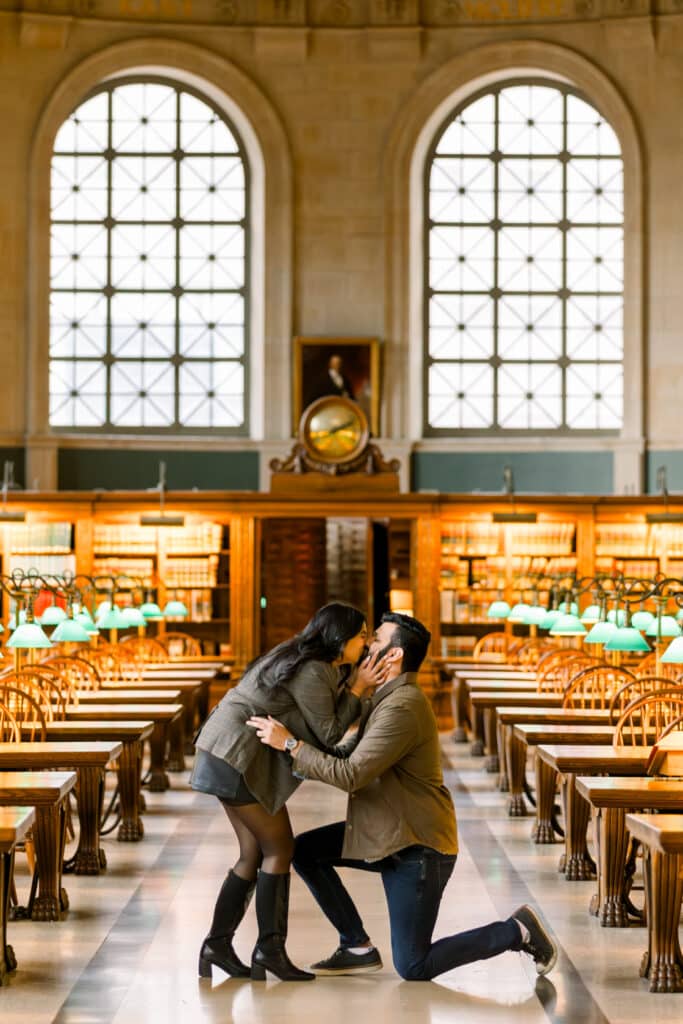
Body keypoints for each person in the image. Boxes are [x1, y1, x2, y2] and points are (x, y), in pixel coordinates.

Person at [248, 612, 557, 983]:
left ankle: (516, 930)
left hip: (418, 847)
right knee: (306, 852)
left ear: (393, 656)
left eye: (375, 640)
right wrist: (294, 751)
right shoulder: (385, 698)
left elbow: (351, 774)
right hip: (384, 834)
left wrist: (294, 745)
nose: (366, 646)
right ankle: (356, 945)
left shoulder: (403, 706)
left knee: (414, 965)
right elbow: (351, 753)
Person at [191, 602, 388, 983]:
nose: (366, 643)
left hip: (223, 752)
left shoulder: (307, 659)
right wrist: (362, 688)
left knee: (252, 852)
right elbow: (329, 733)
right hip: (235, 756)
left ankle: (217, 945)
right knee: (280, 848)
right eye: (361, 635)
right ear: (339, 638)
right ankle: (270, 951)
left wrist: (354, 686)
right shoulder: (314, 670)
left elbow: (320, 726)